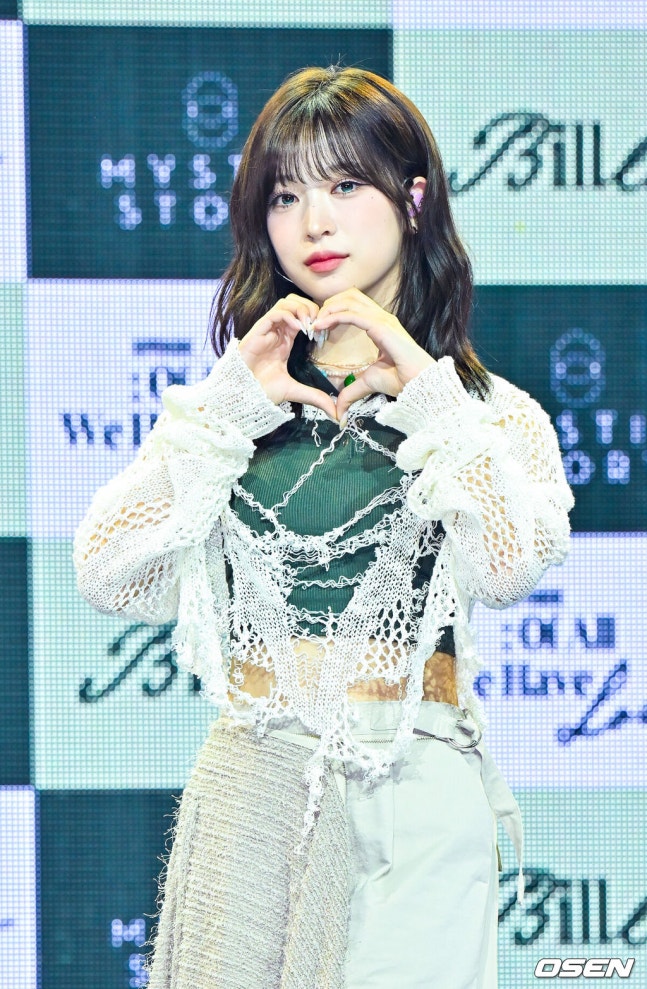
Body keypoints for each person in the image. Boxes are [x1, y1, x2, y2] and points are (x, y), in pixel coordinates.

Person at [74, 66, 573, 989]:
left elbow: (508, 566)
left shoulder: (487, 414)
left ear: (413, 200)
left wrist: (426, 395)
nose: (315, 222)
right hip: (256, 787)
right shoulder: (234, 408)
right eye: (285, 195)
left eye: (345, 185)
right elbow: (108, 575)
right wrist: (229, 406)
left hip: (414, 793)